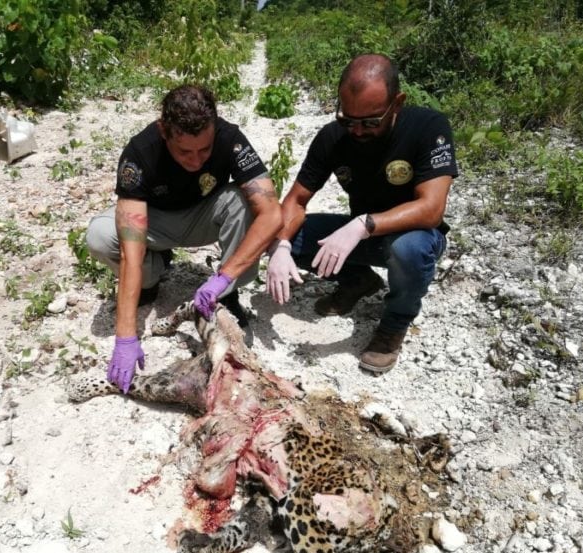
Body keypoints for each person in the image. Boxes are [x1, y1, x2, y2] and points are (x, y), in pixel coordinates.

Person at [266, 53, 458, 373]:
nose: (357, 131)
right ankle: (358, 281)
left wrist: (363, 224)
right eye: (348, 119)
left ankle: (394, 323)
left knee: (408, 250)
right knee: (287, 234)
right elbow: (296, 201)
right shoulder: (332, 137)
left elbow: (432, 209)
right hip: (364, 234)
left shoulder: (428, 127)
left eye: (370, 122)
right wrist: (280, 245)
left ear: (397, 103)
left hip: (413, 235)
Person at [87, 84, 282, 392]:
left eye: (204, 150)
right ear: (165, 132)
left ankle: (227, 295)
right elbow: (129, 250)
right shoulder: (140, 153)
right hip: (156, 223)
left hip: (204, 216)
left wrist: (224, 276)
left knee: (243, 200)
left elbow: (272, 213)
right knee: (99, 235)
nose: (197, 161)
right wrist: (125, 337)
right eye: (185, 152)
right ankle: (151, 281)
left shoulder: (230, 139)